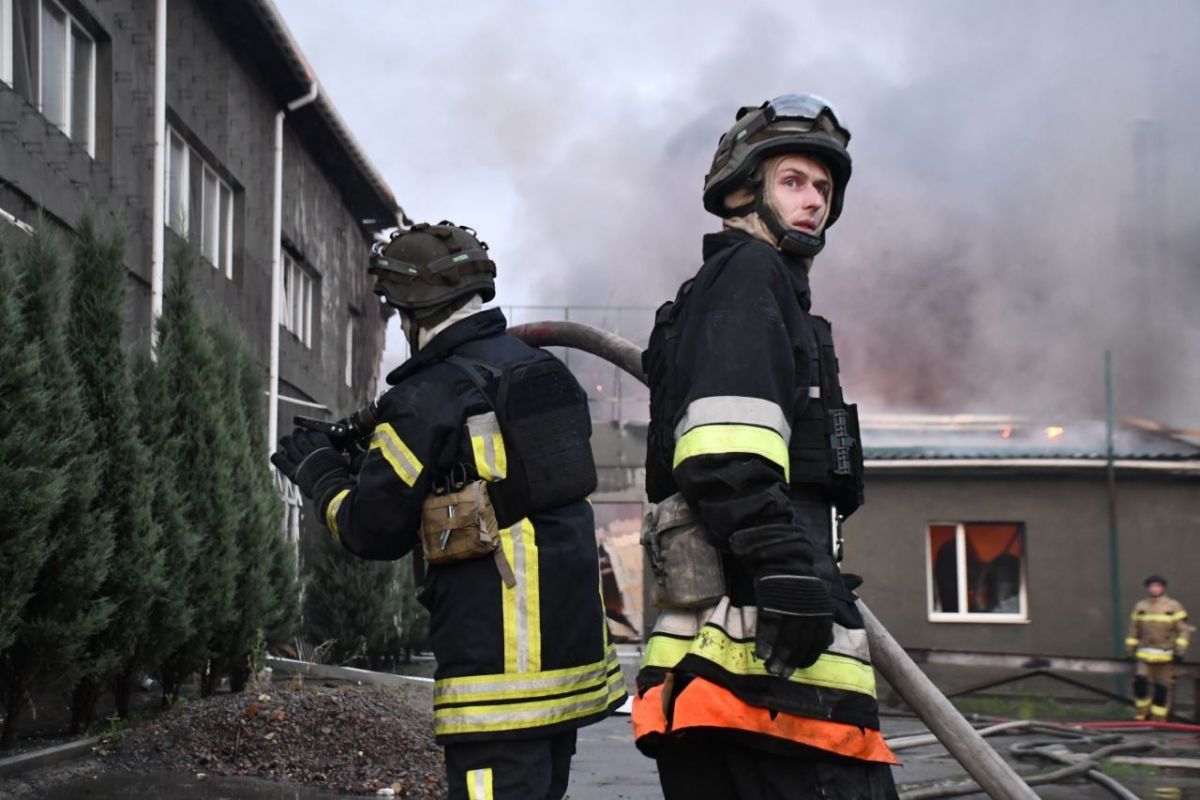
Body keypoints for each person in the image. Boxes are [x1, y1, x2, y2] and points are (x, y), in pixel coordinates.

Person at [272, 221, 625, 800]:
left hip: (496, 677)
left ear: (411, 313)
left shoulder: (424, 399)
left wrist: (321, 473)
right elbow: (506, 481)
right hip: (570, 665)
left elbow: (371, 529)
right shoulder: (545, 373)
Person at [633, 95, 899, 798]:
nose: (814, 200)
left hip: (735, 679)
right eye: (793, 181)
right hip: (773, 683)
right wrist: (786, 566)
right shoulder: (750, 278)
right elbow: (724, 448)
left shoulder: (742, 291)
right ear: (743, 189)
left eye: (824, 187)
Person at [1126, 573, 1190, 721]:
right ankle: (1142, 712)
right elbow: (1133, 630)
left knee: (1162, 690)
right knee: (1139, 684)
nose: (1154, 589)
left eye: (1157, 586)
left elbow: (1183, 630)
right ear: (1148, 588)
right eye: (1152, 586)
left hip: (1165, 656)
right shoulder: (1141, 606)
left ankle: (1158, 720)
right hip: (1144, 655)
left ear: (1163, 588)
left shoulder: (1173, 606)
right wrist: (1130, 651)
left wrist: (1180, 652)